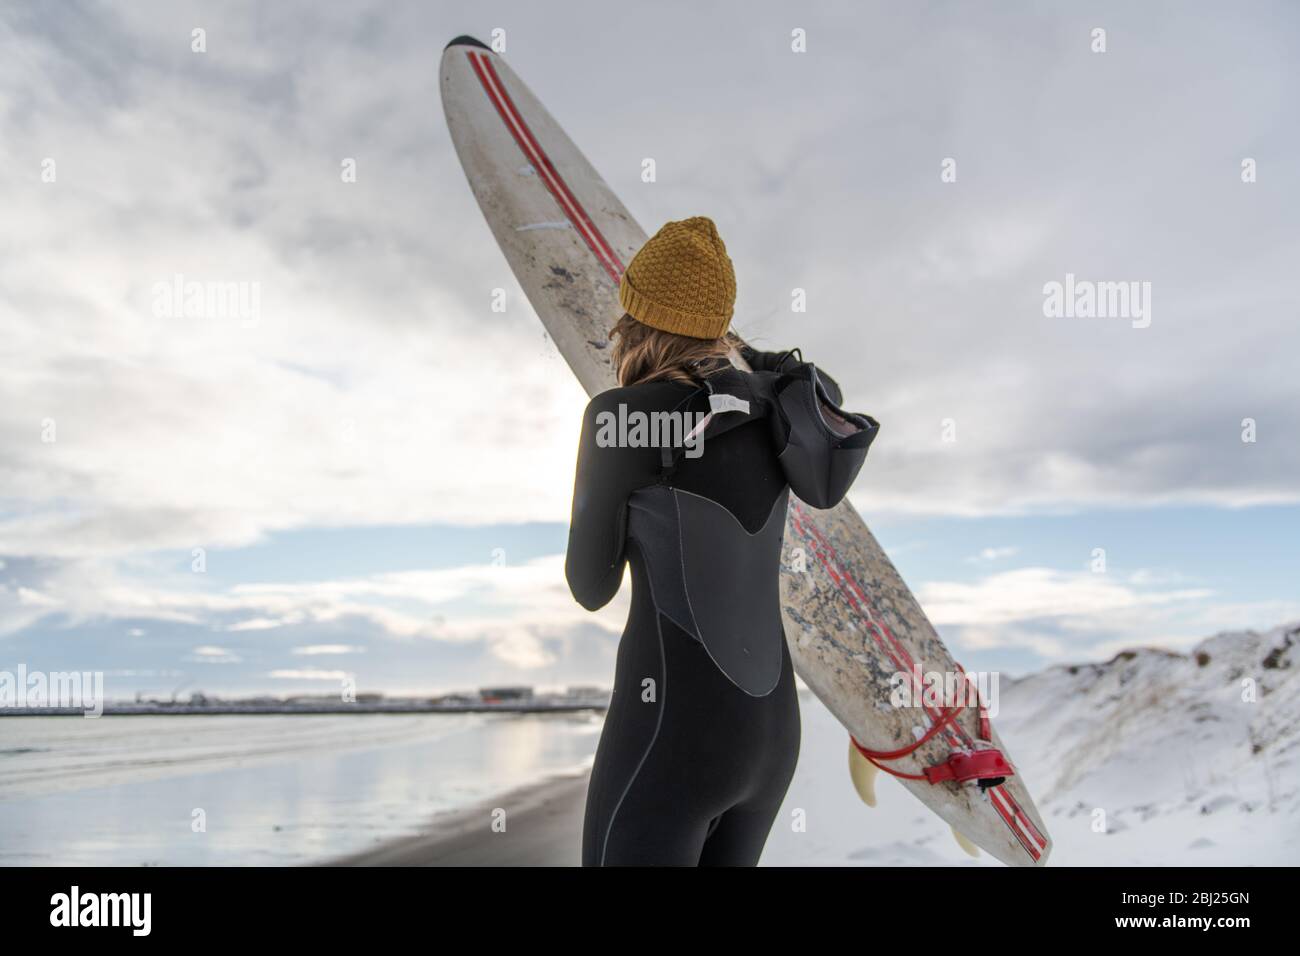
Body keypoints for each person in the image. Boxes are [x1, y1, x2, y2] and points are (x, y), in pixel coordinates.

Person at [566, 216, 878, 866]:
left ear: (636, 321)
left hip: (673, 735)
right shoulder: (778, 410)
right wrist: (744, 363)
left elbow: (589, 586)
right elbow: (809, 388)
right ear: (722, 326)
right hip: (769, 739)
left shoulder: (622, 418)